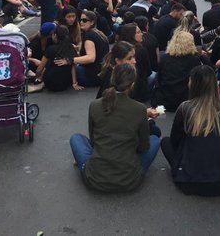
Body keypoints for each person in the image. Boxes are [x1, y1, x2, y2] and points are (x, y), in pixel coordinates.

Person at [69, 64, 160, 192]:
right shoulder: (139, 109)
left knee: (76, 138)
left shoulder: (94, 105)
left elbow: (93, 141)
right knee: (155, 139)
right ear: (132, 84)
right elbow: (143, 147)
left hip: (95, 178)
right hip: (130, 180)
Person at [161, 65, 220, 196]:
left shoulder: (185, 108)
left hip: (190, 183)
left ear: (194, 84)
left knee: (165, 142)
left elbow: (174, 141)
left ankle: (187, 168)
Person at [151, 30, 202, 112]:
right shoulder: (194, 60)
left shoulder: (164, 57)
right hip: (184, 100)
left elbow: (159, 79)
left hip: (164, 100)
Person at [61, 10, 109, 88]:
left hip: (92, 76)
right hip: (103, 74)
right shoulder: (100, 33)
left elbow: (91, 58)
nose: (81, 22)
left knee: (67, 68)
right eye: (80, 20)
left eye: (85, 20)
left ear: (92, 22)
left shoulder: (89, 36)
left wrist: (69, 60)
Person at [35, 25, 78, 92]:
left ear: (55, 35)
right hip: (65, 83)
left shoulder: (50, 49)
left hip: (50, 82)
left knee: (49, 62)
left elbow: (39, 69)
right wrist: (74, 83)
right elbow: (73, 66)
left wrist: (37, 77)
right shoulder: (71, 48)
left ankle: (41, 81)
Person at [117, 23, 152, 102]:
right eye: (138, 32)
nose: (141, 34)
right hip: (138, 92)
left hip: (121, 88)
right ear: (131, 35)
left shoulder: (118, 48)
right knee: (154, 75)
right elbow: (148, 72)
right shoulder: (141, 50)